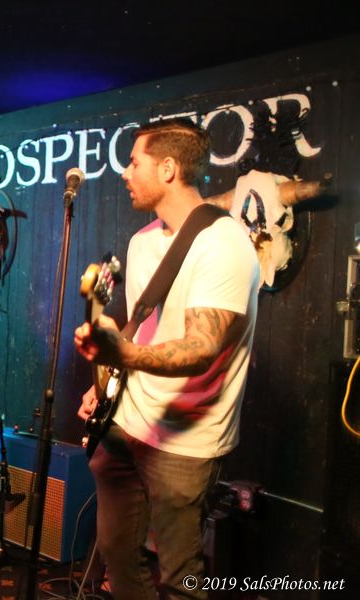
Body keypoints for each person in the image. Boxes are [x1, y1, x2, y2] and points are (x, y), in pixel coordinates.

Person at [73, 119, 260, 600]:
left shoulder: (224, 243)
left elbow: (200, 349)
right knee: (117, 554)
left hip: (186, 441)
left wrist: (122, 351)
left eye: (135, 162)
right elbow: (146, 331)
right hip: (125, 424)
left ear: (169, 168)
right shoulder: (142, 241)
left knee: (181, 579)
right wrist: (103, 380)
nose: (125, 172)